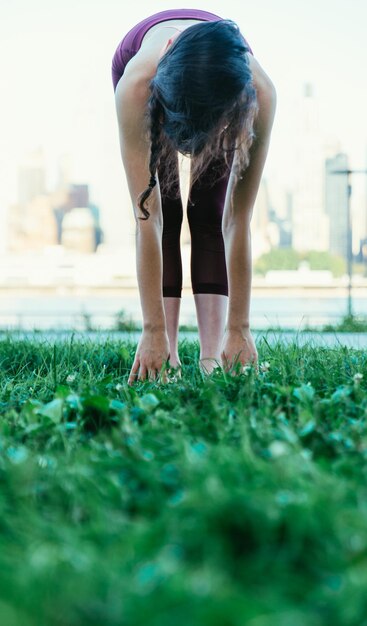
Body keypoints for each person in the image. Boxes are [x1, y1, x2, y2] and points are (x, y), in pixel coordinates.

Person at [112, 8, 276, 385]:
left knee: (207, 211)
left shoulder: (259, 93)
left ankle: (212, 357)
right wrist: (152, 330)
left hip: (223, 91)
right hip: (153, 78)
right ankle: (164, 353)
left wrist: (240, 327)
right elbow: (146, 218)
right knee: (162, 207)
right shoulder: (136, 85)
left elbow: (238, 219)